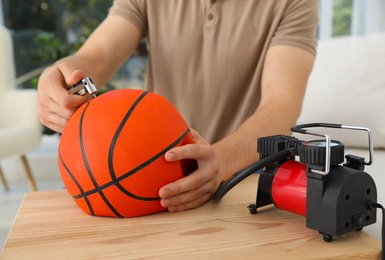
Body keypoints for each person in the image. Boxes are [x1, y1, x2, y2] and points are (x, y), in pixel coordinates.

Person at [38, 0, 319, 213]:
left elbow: (281, 105)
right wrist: (65, 76)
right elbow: (98, 55)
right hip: (150, 170)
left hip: (241, 169)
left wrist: (221, 160)